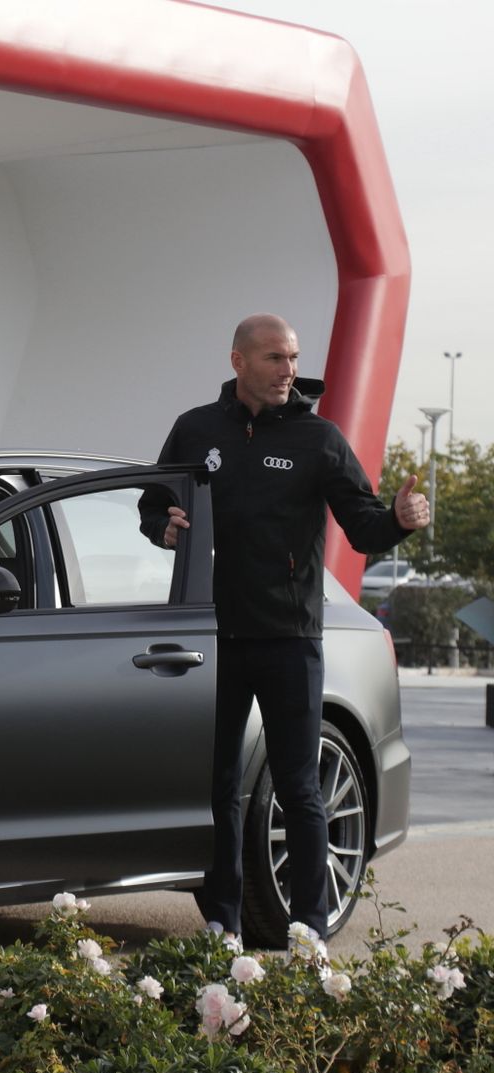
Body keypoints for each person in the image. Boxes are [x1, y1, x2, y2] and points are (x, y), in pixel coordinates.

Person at [140, 313, 430, 951]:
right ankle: (222, 923)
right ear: (239, 361)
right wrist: (164, 526)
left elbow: (364, 526)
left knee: (299, 788)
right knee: (220, 782)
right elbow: (150, 504)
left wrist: (401, 521)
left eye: (293, 358)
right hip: (215, 635)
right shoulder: (197, 429)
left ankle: (310, 929)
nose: (288, 370)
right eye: (274, 358)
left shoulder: (318, 438)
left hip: (290, 638)